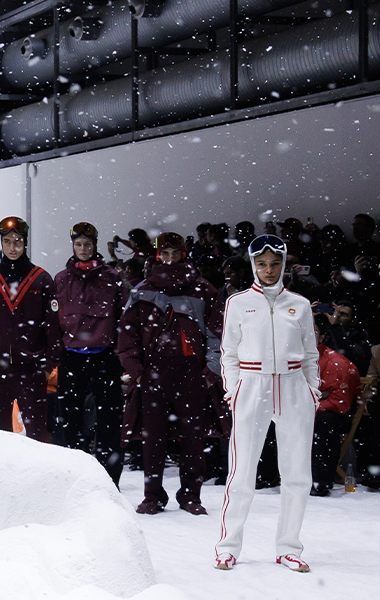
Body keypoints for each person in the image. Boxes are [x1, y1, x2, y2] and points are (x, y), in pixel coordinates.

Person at [214, 234, 320, 572]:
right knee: (241, 471)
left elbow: (310, 354)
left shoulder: (300, 304)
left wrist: (312, 391)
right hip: (252, 384)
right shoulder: (238, 302)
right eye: (262, 264)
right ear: (253, 265)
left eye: (275, 263)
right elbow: (228, 352)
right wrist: (233, 390)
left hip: (293, 387)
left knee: (297, 474)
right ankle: (228, 546)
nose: (269, 270)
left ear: (284, 264)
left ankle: (289, 547)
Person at [118, 232, 221, 515]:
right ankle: (152, 496)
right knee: (153, 438)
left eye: (176, 254)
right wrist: (138, 372)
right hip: (154, 372)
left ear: (184, 255)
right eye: (165, 254)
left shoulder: (203, 290)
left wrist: (210, 371)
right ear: (157, 255)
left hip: (192, 372)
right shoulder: (141, 290)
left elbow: (218, 333)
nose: (170, 259)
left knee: (193, 438)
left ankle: (191, 496)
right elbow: (127, 335)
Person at [0, 216, 61, 442]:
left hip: (32, 370)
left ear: (26, 242)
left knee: (37, 438)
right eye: (8, 241)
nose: (13, 247)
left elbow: (53, 327)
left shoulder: (41, 279)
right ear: (1, 243)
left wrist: (47, 366)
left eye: (18, 241)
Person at [55, 222, 128, 486]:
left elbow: (123, 318)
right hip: (71, 355)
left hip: (104, 355)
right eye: (78, 244)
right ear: (72, 246)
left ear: (95, 245)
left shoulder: (112, 278)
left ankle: (109, 480)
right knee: (69, 420)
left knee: (109, 420)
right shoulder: (61, 279)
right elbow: (53, 320)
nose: (83, 249)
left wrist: (121, 356)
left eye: (87, 244)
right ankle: (74, 478)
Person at [311, 342, 358, 497]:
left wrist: (308, 407)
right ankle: (264, 476)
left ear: (322, 336)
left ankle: (320, 481)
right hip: (306, 410)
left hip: (332, 414)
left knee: (323, 422)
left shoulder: (336, 363)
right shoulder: (292, 357)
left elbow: (340, 402)